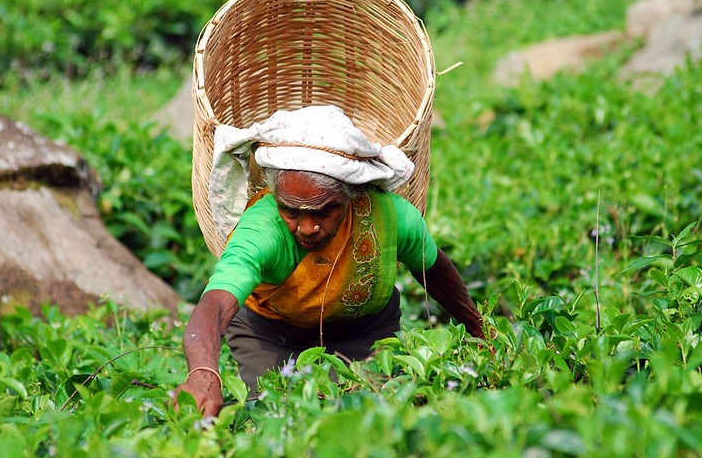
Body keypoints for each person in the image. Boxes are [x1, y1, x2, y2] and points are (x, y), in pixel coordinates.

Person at [176, 105, 483, 417]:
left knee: (374, 415)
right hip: (271, 334)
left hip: (364, 332)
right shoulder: (262, 229)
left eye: (325, 210)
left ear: (352, 194)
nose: (307, 228)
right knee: (276, 415)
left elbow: (435, 270)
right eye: (291, 210)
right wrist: (203, 374)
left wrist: (478, 327)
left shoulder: (392, 218)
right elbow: (216, 302)